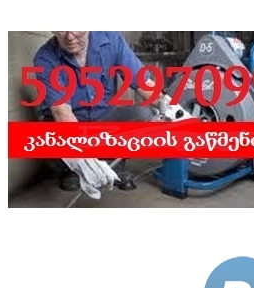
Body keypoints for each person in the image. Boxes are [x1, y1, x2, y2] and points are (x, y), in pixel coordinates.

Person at [33, 31, 166, 192]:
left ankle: (113, 163)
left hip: (103, 120)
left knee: (144, 115)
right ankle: (73, 170)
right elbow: (62, 113)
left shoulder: (112, 41)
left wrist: (174, 110)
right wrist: (84, 159)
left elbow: (144, 84)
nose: (69, 36)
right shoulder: (45, 58)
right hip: (72, 124)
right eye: (61, 29)